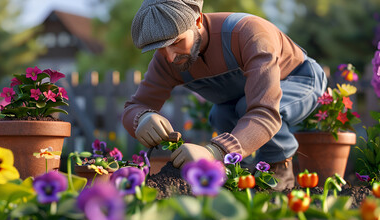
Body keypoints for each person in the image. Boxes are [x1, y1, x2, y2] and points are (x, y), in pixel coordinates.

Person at [121, 0, 327, 190]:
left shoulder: (248, 33)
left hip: (299, 80)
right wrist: (142, 118)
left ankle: (278, 168)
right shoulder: (166, 61)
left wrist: (215, 152)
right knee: (220, 114)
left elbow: (265, 111)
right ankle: (241, 172)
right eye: (160, 48)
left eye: (176, 42)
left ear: (198, 20)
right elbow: (135, 105)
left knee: (245, 107)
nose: (170, 56)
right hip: (245, 99)